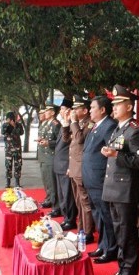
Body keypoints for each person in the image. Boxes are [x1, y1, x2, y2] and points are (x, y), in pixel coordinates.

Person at [101, 84, 139, 275]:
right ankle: (122, 266)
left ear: (129, 106)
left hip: (125, 190)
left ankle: (129, 268)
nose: (115, 107)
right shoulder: (118, 129)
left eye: (119, 104)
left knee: (127, 233)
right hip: (113, 188)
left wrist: (115, 154)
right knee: (119, 231)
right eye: (114, 103)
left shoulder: (135, 130)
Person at [82, 96, 118, 263]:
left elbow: (111, 154)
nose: (90, 110)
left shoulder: (109, 126)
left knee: (106, 215)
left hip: (100, 179)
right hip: (91, 179)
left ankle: (111, 249)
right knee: (98, 215)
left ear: (103, 110)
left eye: (92, 107)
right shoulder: (96, 126)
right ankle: (103, 245)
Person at [62, 95, 95, 243]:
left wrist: (74, 121)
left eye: (76, 108)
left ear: (85, 110)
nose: (73, 111)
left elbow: (80, 139)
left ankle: (88, 232)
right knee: (78, 202)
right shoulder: (77, 123)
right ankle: (81, 229)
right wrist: (66, 123)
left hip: (82, 169)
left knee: (85, 202)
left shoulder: (89, 123)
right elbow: (67, 139)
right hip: (74, 167)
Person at [54, 98, 78, 230]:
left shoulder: (72, 125)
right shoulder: (64, 124)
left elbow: (72, 147)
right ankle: (65, 217)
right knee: (62, 194)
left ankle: (70, 219)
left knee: (68, 195)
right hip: (59, 164)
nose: (61, 111)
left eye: (63, 109)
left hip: (66, 165)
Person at [38, 105, 61, 217]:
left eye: (47, 111)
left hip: (51, 157)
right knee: (47, 182)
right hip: (44, 157)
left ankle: (56, 206)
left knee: (52, 184)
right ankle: (49, 200)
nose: (45, 113)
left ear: (52, 113)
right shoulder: (46, 124)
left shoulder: (55, 124)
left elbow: (60, 141)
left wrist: (49, 143)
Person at [1, 112, 24, 188]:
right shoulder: (5, 125)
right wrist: (8, 124)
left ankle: (17, 182)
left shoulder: (18, 125)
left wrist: (14, 126)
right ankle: (8, 183)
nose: (9, 120)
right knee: (8, 166)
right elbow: (3, 132)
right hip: (9, 150)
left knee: (18, 166)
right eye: (8, 118)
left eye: (10, 118)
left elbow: (21, 133)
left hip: (17, 150)